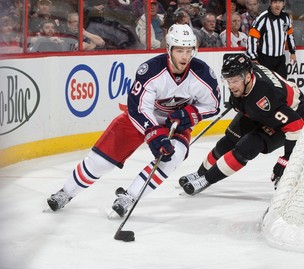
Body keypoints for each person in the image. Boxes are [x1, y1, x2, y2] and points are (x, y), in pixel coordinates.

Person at [46, 24, 221, 217]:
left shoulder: (203, 73)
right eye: (180, 50)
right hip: (140, 120)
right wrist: (154, 133)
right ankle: (66, 192)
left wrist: (190, 114)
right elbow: (139, 108)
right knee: (101, 162)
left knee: (172, 157)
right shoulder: (151, 70)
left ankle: (129, 197)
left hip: (175, 124)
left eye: (189, 51)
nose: (185, 56)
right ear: (169, 49)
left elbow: (213, 105)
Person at [178, 53, 304, 195]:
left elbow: (296, 126)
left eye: (234, 81)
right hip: (260, 106)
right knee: (229, 140)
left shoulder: (267, 97)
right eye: (228, 81)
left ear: (247, 77)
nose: (231, 86)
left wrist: (287, 158)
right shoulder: (247, 73)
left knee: (248, 145)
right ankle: (200, 174)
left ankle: (207, 180)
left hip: (293, 114)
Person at [247, 0, 296, 79]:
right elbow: (252, 37)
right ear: (270, 3)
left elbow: (289, 35)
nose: (277, 5)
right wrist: (253, 57)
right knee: (267, 86)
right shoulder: (263, 18)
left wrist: (292, 52)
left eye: (280, 2)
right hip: (265, 59)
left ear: (283, 4)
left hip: (280, 59)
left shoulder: (286, 18)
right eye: (275, 2)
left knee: (282, 84)